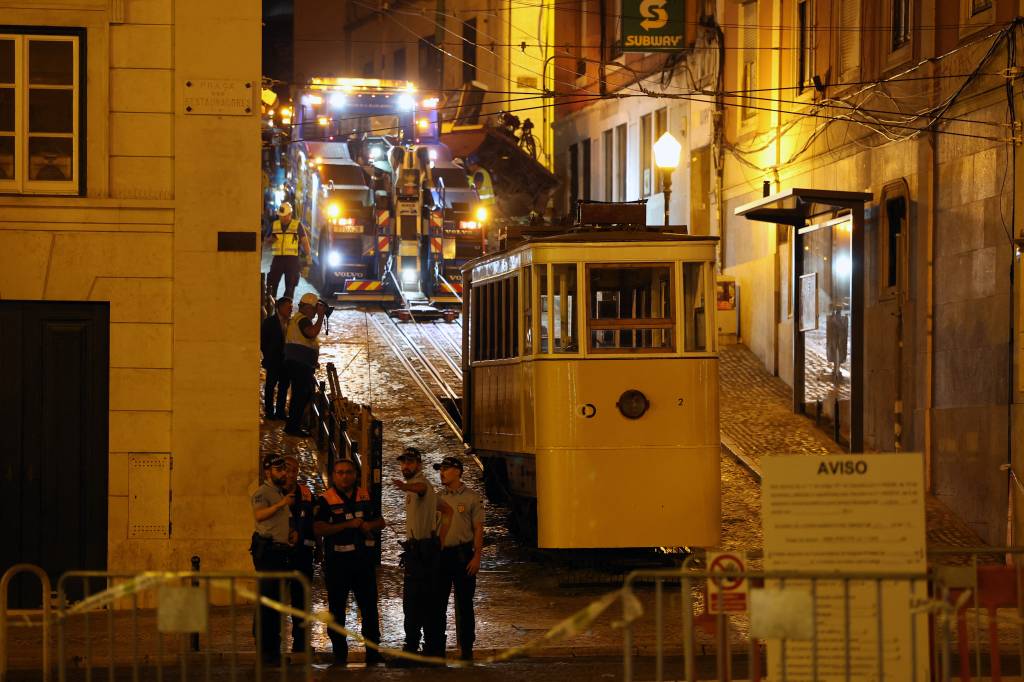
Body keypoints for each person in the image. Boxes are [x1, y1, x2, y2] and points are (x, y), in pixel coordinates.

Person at [313, 458, 386, 667]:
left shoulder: (365, 495)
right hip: (338, 565)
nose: (344, 476)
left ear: (355, 474)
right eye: (340, 472)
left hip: (363, 564)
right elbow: (318, 528)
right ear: (334, 475)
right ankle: (339, 655)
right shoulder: (325, 500)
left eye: (348, 472)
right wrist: (347, 525)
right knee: (337, 610)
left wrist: (367, 525)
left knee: (370, 609)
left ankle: (373, 653)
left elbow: (381, 521)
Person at [391, 447, 452, 663]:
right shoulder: (424, 488)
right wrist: (441, 537)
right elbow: (447, 510)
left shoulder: (421, 484)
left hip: (422, 554)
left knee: (415, 602)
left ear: (419, 464)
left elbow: (419, 488)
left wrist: (405, 486)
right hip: (422, 551)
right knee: (425, 601)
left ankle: (415, 650)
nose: (405, 466)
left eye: (409, 462)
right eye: (403, 462)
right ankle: (430, 649)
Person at [434, 456, 484, 662]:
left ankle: (466, 648)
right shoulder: (437, 498)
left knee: (464, 604)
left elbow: (478, 529)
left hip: (464, 555)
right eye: (440, 469)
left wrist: (477, 557)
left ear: (458, 471)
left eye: (445, 469)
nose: (442, 473)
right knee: (438, 604)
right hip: (442, 556)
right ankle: (438, 646)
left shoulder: (472, 497)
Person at [250, 454, 296, 666]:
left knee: (276, 603)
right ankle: (266, 652)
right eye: (279, 470)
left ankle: (273, 652)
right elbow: (259, 515)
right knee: (268, 603)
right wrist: (281, 504)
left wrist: (290, 533)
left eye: (284, 469)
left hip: (280, 551)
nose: (284, 473)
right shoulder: (263, 492)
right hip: (268, 554)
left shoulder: (279, 492)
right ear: (268, 471)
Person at [283, 456, 316, 654]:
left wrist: (318, 547)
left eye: (294, 470)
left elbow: (313, 522)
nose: (290, 473)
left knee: (301, 600)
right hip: (279, 555)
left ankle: (301, 643)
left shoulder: (306, 494)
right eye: (287, 469)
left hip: (303, 554)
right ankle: (270, 645)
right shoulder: (273, 493)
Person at [283, 293, 327, 437]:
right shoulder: (303, 320)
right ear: (307, 307)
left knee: (304, 394)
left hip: (301, 363)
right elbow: (311, 333)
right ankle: (293, 427)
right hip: (299, 364)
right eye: (315, 309)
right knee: (300, 395)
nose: (315, 312)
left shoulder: (298, 319)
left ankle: (295, 424)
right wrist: (321, 317)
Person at [265, 202, 310, 301]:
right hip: (278, 259)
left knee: (290, 287)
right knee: (271, 285)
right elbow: (266, 242)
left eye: (284, 216)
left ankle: (286, 309)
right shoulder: (274, 225)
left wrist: (308, 258)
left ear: (290, 214)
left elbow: (305, 242)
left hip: (292, 260)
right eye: (280, 216)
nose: (282, 218)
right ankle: (271, 307)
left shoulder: (297, 225)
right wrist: (270, 240)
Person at [260, 297, 292, 421]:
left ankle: (280, 411)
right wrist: (268, 355)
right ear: (280, 307)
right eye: (288, 307)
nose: (290, 310)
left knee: (284, 386)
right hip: (273, 360)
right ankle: (269, 411)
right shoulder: (269, 322)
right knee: (270, 386)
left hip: (286, 360)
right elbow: (263, 341)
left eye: (291, 307)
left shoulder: (291, 322)